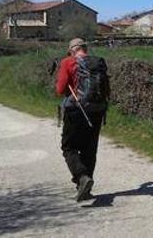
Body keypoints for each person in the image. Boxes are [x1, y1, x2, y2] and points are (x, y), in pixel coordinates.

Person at [55, 38, 109, 202]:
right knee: (89, 149)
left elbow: (60, 89)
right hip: (97, 110)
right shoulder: (98, 62)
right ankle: (84, 188)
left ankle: (82, 177)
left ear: (72, 50)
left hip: (76, 109)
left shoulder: (68, 62)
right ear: (85, 48)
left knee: (69, 147)